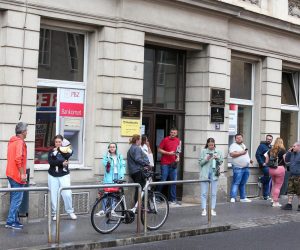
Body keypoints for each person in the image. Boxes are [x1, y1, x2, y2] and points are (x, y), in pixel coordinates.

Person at [48, 135, 77, 221]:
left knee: (67, 194)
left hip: (64, 175)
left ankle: (70, 211)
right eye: (56, 142)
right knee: (54, 195)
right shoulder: (51, 151)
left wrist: (65, 146)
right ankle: (55, 213)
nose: (58, 143)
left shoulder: (65, 150)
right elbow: (51, 162)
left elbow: (70, 153)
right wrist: (61, 162)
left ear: (62, 142)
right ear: (54, 143)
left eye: (59, 142)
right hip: (53, 175)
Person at [5, 122, 28, 230]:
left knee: (15, 198)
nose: (27, 132)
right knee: (17, 199)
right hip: (17, 174)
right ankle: (10, 221)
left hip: (11, 173)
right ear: (23, 132)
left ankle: (14, 220)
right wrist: (23, 174)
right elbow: (18, 159)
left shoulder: (12, 141)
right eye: (26, 130)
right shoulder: (19, 142)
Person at [96, 142, 126, 216]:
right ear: (108, 148)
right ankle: (103, 210)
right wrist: (108, 158)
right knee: (106, 193)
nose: (112, 148)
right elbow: (105, 163)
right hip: (108, 177)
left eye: (113, 147)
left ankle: (113, 209)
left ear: (116, 148)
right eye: (111, 147)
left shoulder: (119, 156)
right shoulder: (106, 156)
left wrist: (121, 176)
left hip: (117, 177)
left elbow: (123, 166)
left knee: (114, 194)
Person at [199, 138, 223, 216]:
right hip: (204, 174)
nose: (211, 146)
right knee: (203, 193)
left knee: (213, 193)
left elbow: (221, 162)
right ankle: (204, 209)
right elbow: (200, 163)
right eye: (209, 145)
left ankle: (212, 209)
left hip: (214, 174)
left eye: (212, 145)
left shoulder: (218, 151)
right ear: (207, 144)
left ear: (214, 144)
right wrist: (206, 159)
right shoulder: (203, 151)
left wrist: (217, 158)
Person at [158, 128, 181, 205]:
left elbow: (178, 151)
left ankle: (172, 199)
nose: (172, 134)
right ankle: (157, 197)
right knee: (163, 179)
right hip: (165, 163)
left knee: (173, 181)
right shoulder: (165, 139)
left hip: (173, 163)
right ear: (169, 132)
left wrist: (178, 157)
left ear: (176, 134)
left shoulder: (178, 141)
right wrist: (168, 153)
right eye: (171, 132)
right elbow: (159, 149)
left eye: (174, 133)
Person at [229, 133, 252, 203]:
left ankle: (243, 197)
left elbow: (245, 154)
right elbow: (232, 154)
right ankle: (233, 197)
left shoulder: (243, 145)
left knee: (243, 183)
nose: (239, 139)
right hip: (238, 167)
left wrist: (249, 160)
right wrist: (241, 153)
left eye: (240, 138)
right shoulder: (233, 145)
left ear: (242, 138)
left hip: (246, 167)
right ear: (235, 139)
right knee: (236, 182)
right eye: (237, 138)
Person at [127, 134, 150, 203]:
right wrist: (146, 163)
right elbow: (137, 159)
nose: (141, 141)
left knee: (139, 189)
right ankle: (139, 207)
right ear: (137, 140)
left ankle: (138, 207)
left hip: (133, 171)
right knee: (141, 189)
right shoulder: (137, 148)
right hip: (138, 171)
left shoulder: (131, 148)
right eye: (140, 139)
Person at [264, 138, 286, 207]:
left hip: (271, 169)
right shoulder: (283, 150)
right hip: (280, 169)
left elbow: (266, 162)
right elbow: (286, 161)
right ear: (281, 143)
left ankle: (273, 199)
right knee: (278, 186)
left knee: (274, 185)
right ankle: (275, 202)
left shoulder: (270, 150)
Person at [282, 142, 300, 211]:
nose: (293, 147)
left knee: (299, 192)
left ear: (299, 146)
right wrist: (289, 152)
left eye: (294, 146)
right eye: (292, 146)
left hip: (298, 176)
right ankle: (289, 204)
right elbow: (286, 160)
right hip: (291, 175)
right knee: (290, 190)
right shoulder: (292, 154)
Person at [255, 134, 273, 200]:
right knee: (267, 177)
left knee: (267, 180)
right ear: (266, 139)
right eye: (268, 139)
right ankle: (261, 179)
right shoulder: (261, 146)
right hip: (264, 165)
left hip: (270, 165)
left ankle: (266, 196)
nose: (269, 140)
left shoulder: (270, 147)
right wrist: (262, 163)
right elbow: (257, 155)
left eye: (270, 139)